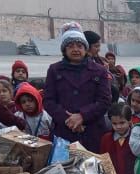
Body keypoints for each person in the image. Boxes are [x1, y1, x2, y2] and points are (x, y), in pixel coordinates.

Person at [43, 22, 112, 153]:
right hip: (64, 131)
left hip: (92, 131)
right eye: (70, 46)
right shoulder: (54, 70)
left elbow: (104, 101)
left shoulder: (99, 71)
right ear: (64, 49)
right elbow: (48, 101)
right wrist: (69, 120)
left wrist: (82, 116)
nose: (75, 49)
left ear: (86, 49)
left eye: (79, 46)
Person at [101, 102, 138, 174]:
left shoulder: (136, 137)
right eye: (114, 124)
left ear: (130, 120)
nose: (118, 127)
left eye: (122, 123)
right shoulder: (106, 139)